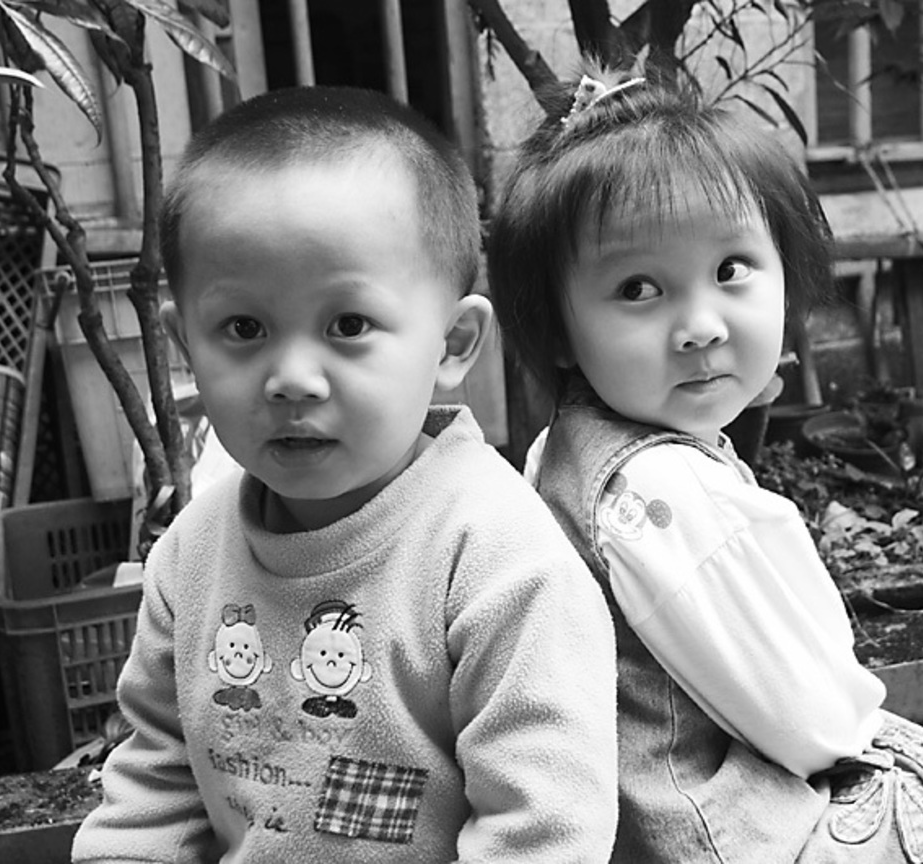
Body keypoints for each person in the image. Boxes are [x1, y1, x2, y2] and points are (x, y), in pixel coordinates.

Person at [487, 64, 923, 864]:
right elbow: (819, 722)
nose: (702, 325)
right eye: (639, 288)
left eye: (730, 270)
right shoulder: (659, 494)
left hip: (649, 824)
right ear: (558, 329)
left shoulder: (566, 449)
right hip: (735, 838)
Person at [71, 85, 619, 863]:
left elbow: (544, 829)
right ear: (185, 345)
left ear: (454, 343)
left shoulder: (498, 561)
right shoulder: (190, 558)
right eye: (243, 328)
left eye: (349, 324)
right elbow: (156, 786)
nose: (293, 378)